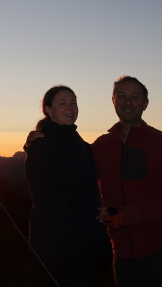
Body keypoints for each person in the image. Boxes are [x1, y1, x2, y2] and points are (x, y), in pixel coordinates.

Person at [92, 76, 162, 286]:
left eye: (134, 97)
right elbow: (71, 166)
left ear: (145, 103)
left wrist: (126, 216)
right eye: (121, 96)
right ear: (113, 100)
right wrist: (39, 142)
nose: (127, 102)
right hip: (122, 255)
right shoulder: (102, 146)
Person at [24, 85, 112, 286]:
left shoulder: (76, 142)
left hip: (89, 242)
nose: (70, 107)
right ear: (48, 109)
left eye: (73, 102)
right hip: (59, 247)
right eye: (62, 103)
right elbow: (43, 197)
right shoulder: (41, 145)